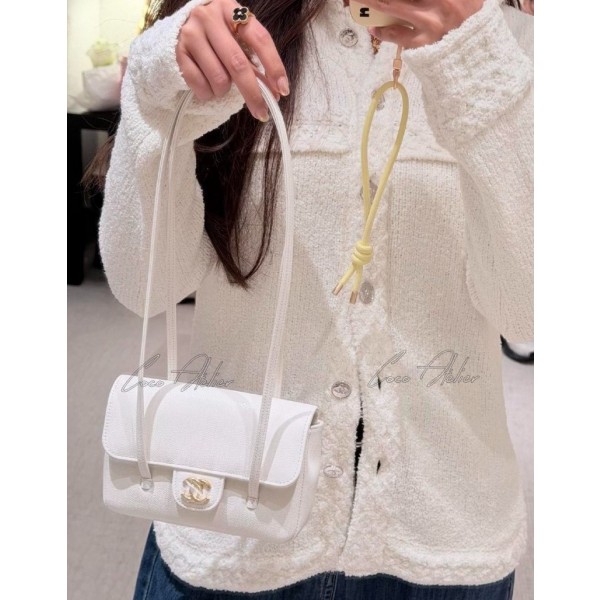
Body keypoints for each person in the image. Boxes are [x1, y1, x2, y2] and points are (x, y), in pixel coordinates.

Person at [97, 0, 533, 597]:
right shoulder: (228, 24)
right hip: (230, 520)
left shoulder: (513, 43)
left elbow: (527, 313)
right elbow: (148, 283)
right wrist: (157, 96)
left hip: (445, 541)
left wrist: (476, 64)